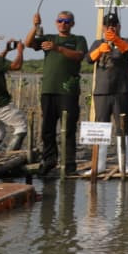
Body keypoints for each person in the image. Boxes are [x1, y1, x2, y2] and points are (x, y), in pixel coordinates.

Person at [26, 11, 87, 177]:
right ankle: (49, 160)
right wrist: (35, 26)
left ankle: (69, 163)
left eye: (66, 21)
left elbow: (79, 56)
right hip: (48, 90)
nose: (63, 24)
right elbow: (29, 43)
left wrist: (58, 48)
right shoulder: (48, 38)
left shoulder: (78, 40)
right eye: (60, 20)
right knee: (48, 128)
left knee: (67, 129)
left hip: (68, 91)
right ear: (56, 22)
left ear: (72, 24)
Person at [84, 12, 128, 175]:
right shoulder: (97, 42)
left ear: (119, 26)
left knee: (123, 127)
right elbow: (88, 59)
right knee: (101, 127)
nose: (111, 27)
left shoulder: (126, 41)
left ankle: (124, 164)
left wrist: (115, 40)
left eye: (114, 25)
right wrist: (100, 50)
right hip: (102, 91)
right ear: (103, 27)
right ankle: (99, 165)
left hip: (122, 91)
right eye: (107, 25)